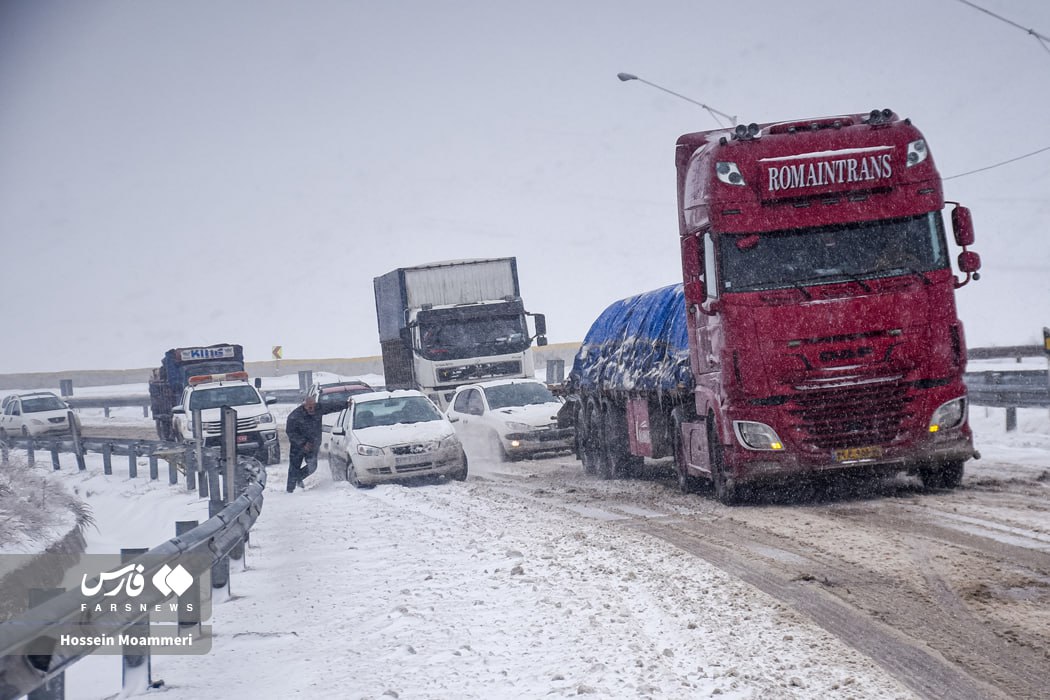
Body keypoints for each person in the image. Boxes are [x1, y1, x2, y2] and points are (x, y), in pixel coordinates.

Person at [284, 395, 343, 492]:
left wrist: (345, 404)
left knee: (312, 466)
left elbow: (332, 406)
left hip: (313, 445)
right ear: (304, 405)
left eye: (313, 406)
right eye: (309, 406)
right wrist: (303, 443)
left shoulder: (318, 409)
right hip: (297, 447)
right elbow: (290, 432)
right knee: (294, 467)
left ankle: (298, 477)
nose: (311, 409)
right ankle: (290, 490)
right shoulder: (294, 416)